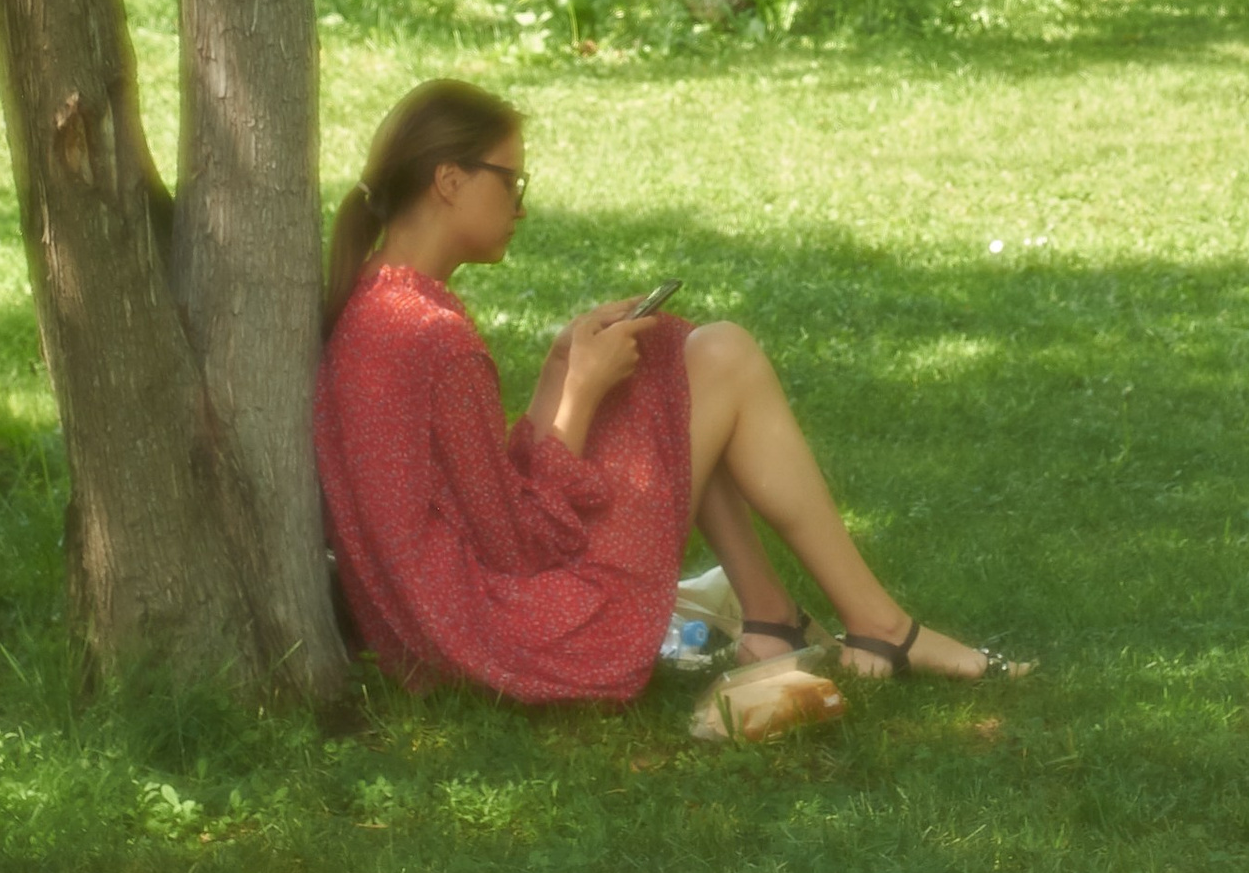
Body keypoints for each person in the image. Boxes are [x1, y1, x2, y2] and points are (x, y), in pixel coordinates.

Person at [315, 79, 1026, 706]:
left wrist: (562, 373)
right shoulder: (434, 335)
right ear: (448, 181)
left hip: (446, 631)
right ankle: (880, 630)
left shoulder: (379, 308)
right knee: (725, 358)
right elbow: (520, 545)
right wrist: (580, 398)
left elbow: (474, 502)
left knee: (675, 365)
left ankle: (776, 623)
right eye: (511, 183)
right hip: (524, 641)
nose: (521, 208)